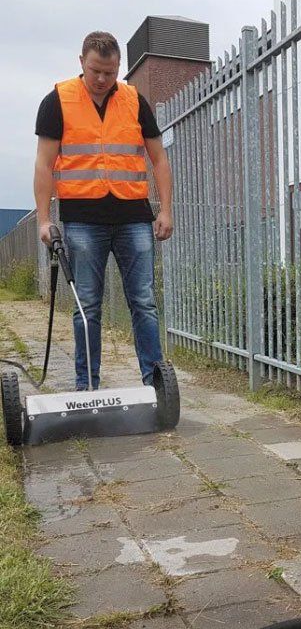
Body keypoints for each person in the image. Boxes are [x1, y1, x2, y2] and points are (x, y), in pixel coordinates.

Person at [34, 31, 173, 391]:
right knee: (88, 307)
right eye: (96, 70)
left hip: (134, 218)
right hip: (82, 221)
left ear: (118, 69)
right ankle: (87, 386)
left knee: (143, 302)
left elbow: (158, 158)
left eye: (109, 73)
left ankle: (155, 385)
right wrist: (45, 220)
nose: (101, 79)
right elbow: (44, 164)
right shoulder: (58, 101)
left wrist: (166, 211)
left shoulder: (134, 100)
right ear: (82, 62)